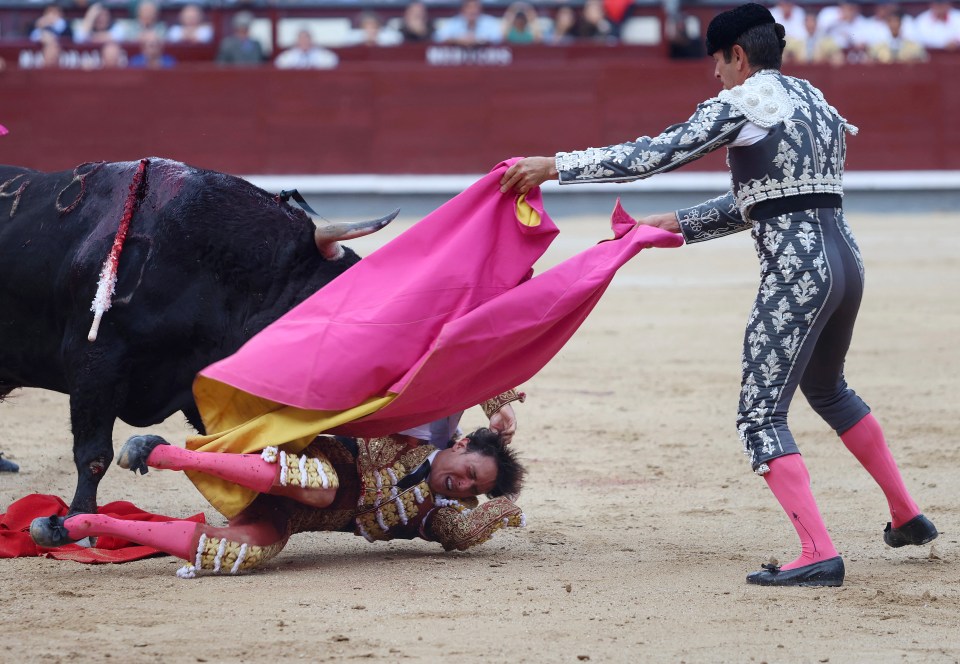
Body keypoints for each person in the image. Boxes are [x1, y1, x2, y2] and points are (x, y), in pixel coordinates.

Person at [499, 2, 938, 588]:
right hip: (845, 263)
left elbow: (654, 155)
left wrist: (557, 165)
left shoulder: (743, 102)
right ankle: (906, 515)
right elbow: (765, 200)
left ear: (737, 55)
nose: (715, 76)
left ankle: (817, 552)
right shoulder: (815, 101)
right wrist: (668, 225)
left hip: (796, 271)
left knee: (760, 413)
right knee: (829, 390)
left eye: (718, 63)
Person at [31, 423, 526, 577]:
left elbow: (460, 535)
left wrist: (503, 507)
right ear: (461, 446)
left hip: (292, 514)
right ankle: (165, 453)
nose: (463, 487)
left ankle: (86, 524)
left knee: (243, 553)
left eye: (473, 490)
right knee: (325, 484)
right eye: (469, 474)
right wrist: (497, 400)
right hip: (295, 459)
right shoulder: (424, 427)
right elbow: (458, 350)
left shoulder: (432, 515)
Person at [433, 0, 503, 46]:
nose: (472, 11)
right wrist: (458, 40)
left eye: (475, 7)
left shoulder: (489, 22)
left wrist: (477, 40)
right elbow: (438, 37)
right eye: (469, 7)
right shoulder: (454, 22)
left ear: (480, 9)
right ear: (462, 10)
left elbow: (498, 37)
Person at [274, 28, 338, 69]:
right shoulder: (287, 56)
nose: (304, 41)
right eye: (301, 39)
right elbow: (280, 63)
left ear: (311, 40)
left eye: (306, 38)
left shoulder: (324, 55)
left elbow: (332, 61)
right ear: (297, 41)